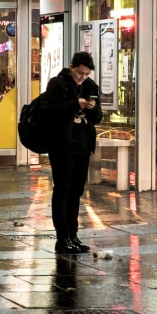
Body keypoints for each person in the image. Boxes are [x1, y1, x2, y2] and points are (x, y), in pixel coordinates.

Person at [43, 52, 103, 254]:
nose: (82, 77)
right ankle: (62, 238)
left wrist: (92, 108)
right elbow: (47, 111)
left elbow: (97, 118)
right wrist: (74, 105)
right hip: (62, 144)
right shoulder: (58, 84)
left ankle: (73, 235)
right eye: (79, 73)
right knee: (63, 189)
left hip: (82, 144)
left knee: (77, 190)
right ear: (71, 67)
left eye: (86, 74)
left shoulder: (90, 86)